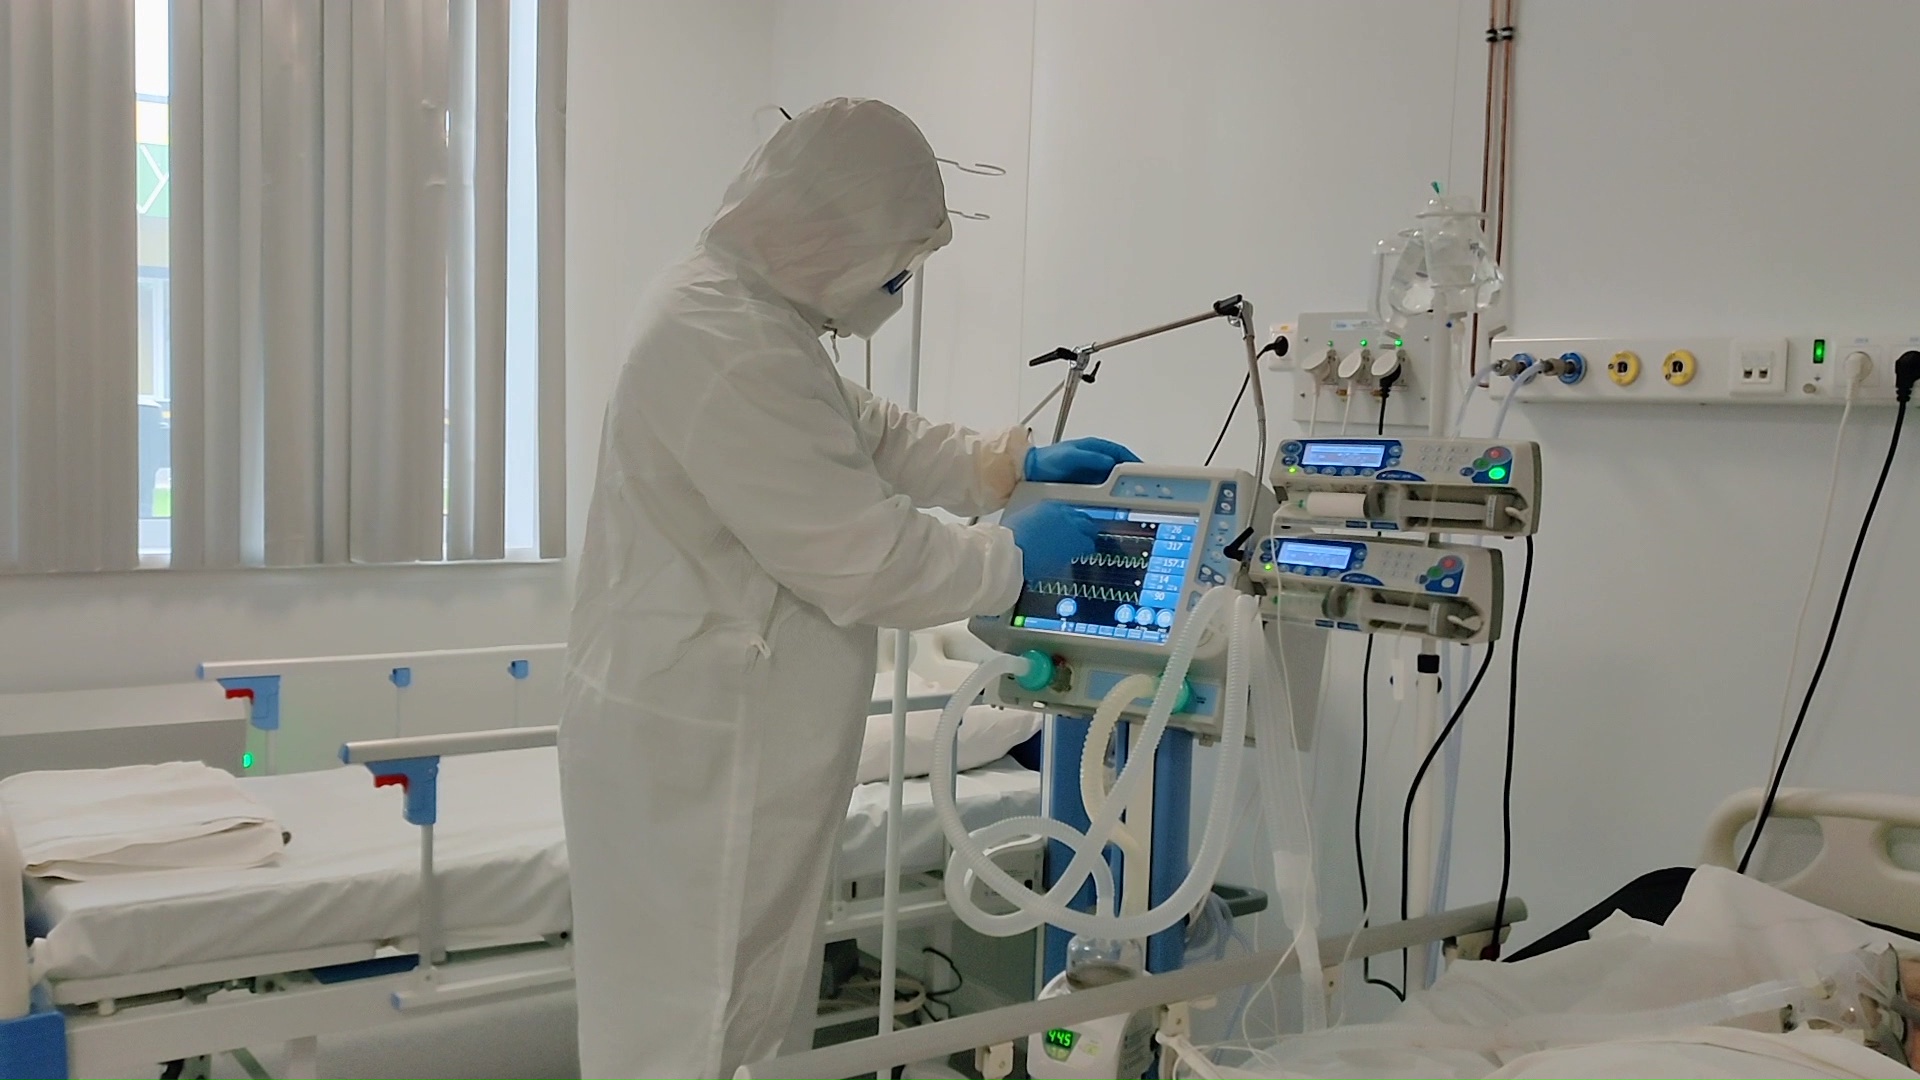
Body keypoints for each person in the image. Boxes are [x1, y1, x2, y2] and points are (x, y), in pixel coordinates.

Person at [559, 97, 1141, 1080]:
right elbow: (865, 556)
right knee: (705, 1024)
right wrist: (1011, 559)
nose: (897, 290)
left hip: (706, 732)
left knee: (731, 1016)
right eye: (895, 269)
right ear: (833, 236)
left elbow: (862, 430)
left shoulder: (741, 310)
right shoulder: (728, 340)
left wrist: (1002, 463)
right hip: (706, 753)